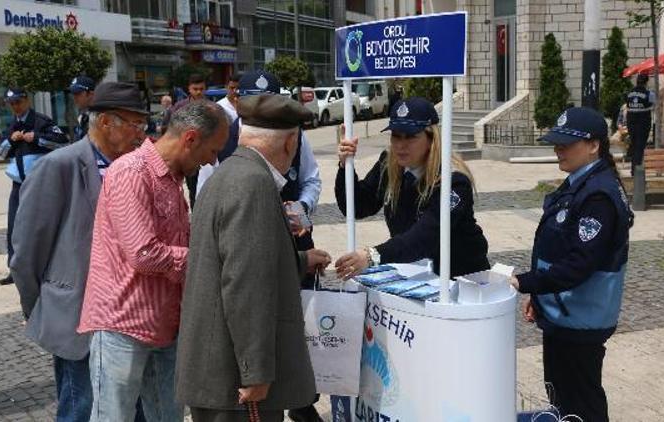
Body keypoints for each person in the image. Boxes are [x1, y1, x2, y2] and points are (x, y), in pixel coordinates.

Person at [175, 94, 331, 422]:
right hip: (234, 382)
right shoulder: (253, 184)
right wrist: (255, 371)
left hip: (218, 373)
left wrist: (300, 261)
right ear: (291, 142)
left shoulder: (230, 174)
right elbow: (244, 285)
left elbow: (237, 260)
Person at [77, 100, 229, 421]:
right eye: (212, 150)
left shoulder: (171, 178)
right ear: (190, 138)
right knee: (113, 416)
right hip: (123, 325)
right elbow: (144, 254)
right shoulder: (131, 172)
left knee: (167, 416)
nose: (212, 160)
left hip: (166, 324)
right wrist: (206, 258)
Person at [10, 82, 148, 422]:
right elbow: (26, 251)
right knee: (80, 408)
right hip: (77, 318)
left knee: (137, 408)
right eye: (133, 124)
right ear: (105, 122)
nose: (140, 134)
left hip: (131, 317)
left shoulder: (136, 167)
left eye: (142, 125)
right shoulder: (59, 166)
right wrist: (40, 306)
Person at [509, 107, 634, 422]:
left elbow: (580, 263)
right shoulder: (581, 182)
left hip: (581, 318)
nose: (557, 150)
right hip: (564, 313)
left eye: (566, 143)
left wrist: (526, 282)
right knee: (562, 396)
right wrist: (539, 297)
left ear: (594, 145)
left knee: (581, 403)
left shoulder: (598, 196)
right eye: (556, 143)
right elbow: (558, 249)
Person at [333, 97, 490, 279]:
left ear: (431, 139)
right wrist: (346, 166)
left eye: (411, 136)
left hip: (462, 279)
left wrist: (371, 256)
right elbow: (357, 206)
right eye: (396, 135)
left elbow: (424, 236)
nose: (400, 145)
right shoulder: (389, 164)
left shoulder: (453, 180)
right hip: (416, 275)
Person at [197, 70, 322, 283]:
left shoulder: (295, 135)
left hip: (295, 245)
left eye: (269, 101)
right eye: (253, 100)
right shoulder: (222, 138)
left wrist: (301, 208)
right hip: (244, 251)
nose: (262, 108)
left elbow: (311, 180)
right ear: (237, 101)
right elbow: (206, 195)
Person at [0, 88, 69, 286]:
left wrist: (36, 138)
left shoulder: (42, 121)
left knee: (42, 226)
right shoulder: (12, 125)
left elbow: (63, 143)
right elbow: (1, 153)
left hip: (39, 184)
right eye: (11, 104)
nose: (15, 107)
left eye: (18, 102)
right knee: (14, 228)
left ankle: (48, 267)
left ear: (27, 100)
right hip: (18, 184)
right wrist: (10, 140)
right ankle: (15, 269)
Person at [161, 73, 207, 209]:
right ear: (189, 89)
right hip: (185, 155)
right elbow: (167, 129)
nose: (198, 92)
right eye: (195, 89)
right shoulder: (179, 107)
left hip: (206, 156)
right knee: (190, 189)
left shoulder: (211, 107)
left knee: (205, 189)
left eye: (201, 89)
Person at [625, 73, 655, 174]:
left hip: (631, 122)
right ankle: (636, 170)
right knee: (640, 146)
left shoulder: (629, 93)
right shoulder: (649, 94)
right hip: (643, 122)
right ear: (646, 82)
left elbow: (628, 106)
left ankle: (634, 167)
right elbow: (653, 106)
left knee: (634, 145)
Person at [69, 76, 96, 142]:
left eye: (78, 94)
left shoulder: (102, 117)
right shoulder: (83, 117)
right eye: (73, 94)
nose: (74, 98)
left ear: (91, 94)